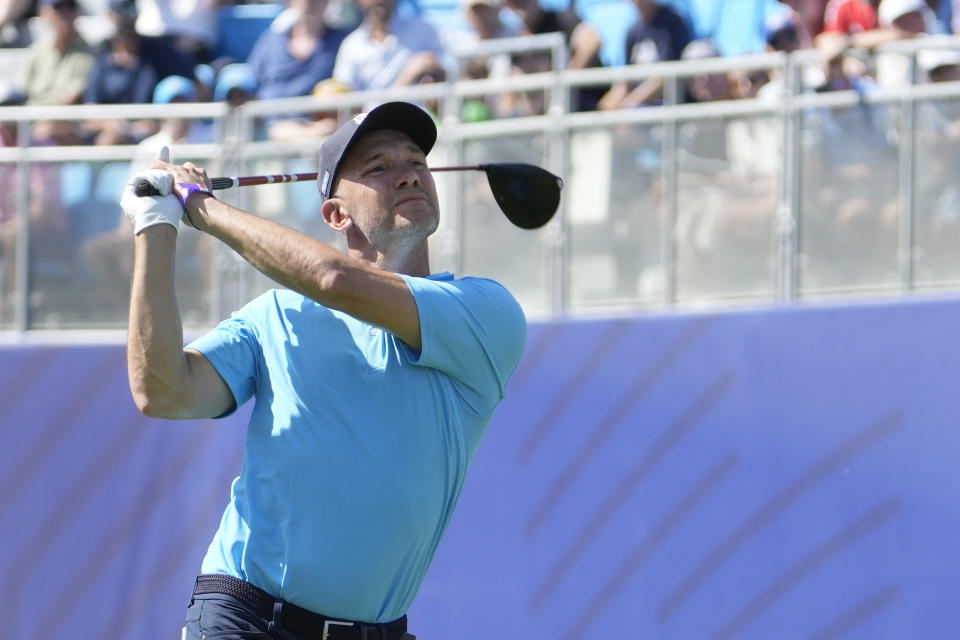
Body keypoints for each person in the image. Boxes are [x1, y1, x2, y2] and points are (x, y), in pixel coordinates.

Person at [120, 101, 527, 639]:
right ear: (337, 215)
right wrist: (156, 225)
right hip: (246, 617)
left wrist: (202, 207)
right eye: (378, 168)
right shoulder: (276, 316)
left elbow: (333, 279)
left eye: (416, 162)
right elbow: (162, 391)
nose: (407, 171)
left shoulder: (483, 311)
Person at [246, 0, 349, 140]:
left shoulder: (343, 42)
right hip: (270, 137)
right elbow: (249, 83)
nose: (310, 4)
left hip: (322, 138)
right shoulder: (270, 42)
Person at [18, 0, 93, 144]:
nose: (65, 13)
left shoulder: (90, 53)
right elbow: (21, 92)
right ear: (45, 13)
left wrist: (37, 124)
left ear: (77, 12)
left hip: (66, 124)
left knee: (46, 130)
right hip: (32, 122)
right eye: (58, 7)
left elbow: (72, 98)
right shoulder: (37, 51)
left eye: (70, 7)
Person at [597, 0, 691, 110]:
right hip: (637, 104)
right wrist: (606, 108)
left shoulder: (672, 23)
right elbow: (626, 82)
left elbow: (664, 79)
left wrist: (628, 106)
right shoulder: (633, 30)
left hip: (663, 106)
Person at [333, 0, 445, 92]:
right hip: (373, 118)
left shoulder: (422, 30)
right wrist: (406, 78)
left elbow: (451, 65)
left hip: (418, 116)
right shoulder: (350, 45)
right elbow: (343, 96)